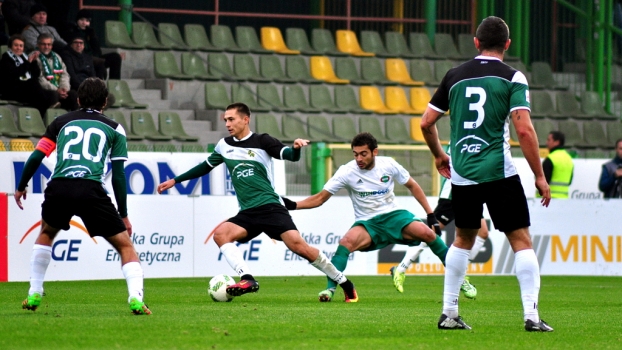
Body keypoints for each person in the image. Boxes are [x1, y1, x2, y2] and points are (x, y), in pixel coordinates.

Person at [420, 16, 553, 332]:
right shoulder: (512, 77)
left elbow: (426, 122)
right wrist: (539, 175)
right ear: (507, 44)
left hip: (462, 174)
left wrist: (440, 155)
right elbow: (524, 129)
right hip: (498, 172)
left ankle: (449, 313)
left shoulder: (454, 76)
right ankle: (531, 316)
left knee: (462, 239)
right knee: (521, 240)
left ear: (476, 42)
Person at [156, 102, 359, 302]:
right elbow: (205, 167)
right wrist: (175, 180)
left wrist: (296, 149)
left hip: (270, 206)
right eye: (226, 120)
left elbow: (288, 155)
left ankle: (345, 283)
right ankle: (247, 279)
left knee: (300, 247)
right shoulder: (224, 145)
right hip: (248, 212)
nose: (227, 123)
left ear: (246, 120)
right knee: (221, 235)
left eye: (231, 119)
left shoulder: (263, 141)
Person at [13, 77, 151, 315]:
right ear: (105, 102)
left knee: (46, 233)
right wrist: (124, 215)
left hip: (60, 186)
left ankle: (34, 292)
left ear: (77, 99)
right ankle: (135, 298)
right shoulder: (115, 129)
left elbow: (36, 156)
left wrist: (21, 185)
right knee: (125, 247)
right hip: (90, 189)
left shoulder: (60, 122)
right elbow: (119, 176)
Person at [281, 132, 448, 302]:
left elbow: (412, 185)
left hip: (394, 215)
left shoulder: (389, 164)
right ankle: (329, 289)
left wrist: (430, 214)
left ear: (374, 152)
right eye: (355, 154)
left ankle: (459, 278)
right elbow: (320, 198)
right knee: (345, 243)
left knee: (428, 234)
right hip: (368, 222)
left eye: (363, 154)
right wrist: (293, 205)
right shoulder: (347, 171)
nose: (359, 158)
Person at [391, 146, 485, 299]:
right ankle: (401, 269)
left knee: (483, 232)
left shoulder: (477, 137)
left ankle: (461, 273)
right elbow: (455, 165)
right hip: (452, 195)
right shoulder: (459, 140)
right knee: (429, 234)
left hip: (472, 194)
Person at [0, 34, 56, 117]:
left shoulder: (25, 57)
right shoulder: (6, 58)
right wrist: (28, 62)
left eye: (21, 46)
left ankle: (46, 115)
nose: (19, 48)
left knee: (51, 94)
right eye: (16, 45)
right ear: (10, 46)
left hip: (26, 88)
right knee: (34, 85)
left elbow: (36, 74)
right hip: (12, 89)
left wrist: (33, 62)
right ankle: (42, 113)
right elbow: (15, 74)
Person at [64, 9, 122, 80]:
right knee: (99, 65)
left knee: (115, 57)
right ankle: (97, 87)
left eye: (87, 21)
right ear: (77, 20)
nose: (84, 23)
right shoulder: (73, 32)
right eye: (82, 20)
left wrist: (93, 37)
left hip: (95, 59)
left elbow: (98, 51)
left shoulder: (90, 32)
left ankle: (114, 84)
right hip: (83, 60)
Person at [36, 33, 78, 111]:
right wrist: (56, 90)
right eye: (43, 44)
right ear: (38, 45)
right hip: (45, 91)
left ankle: (77, 119)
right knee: (53, 94)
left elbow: (64, 74)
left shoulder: (57, 57)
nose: (46, 47)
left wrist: (64, 89)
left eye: (49, 44)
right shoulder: (35, 57)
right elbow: (39, 78)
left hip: (59, 91)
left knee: (73, 94)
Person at [542, 131, 574, 198]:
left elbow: (543, 182)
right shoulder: (569, 159)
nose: (546, 143)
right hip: (563, 199)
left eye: (549, 140)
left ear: (557, 142)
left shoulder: (550, 159)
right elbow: (569, 181)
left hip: (547, 200)